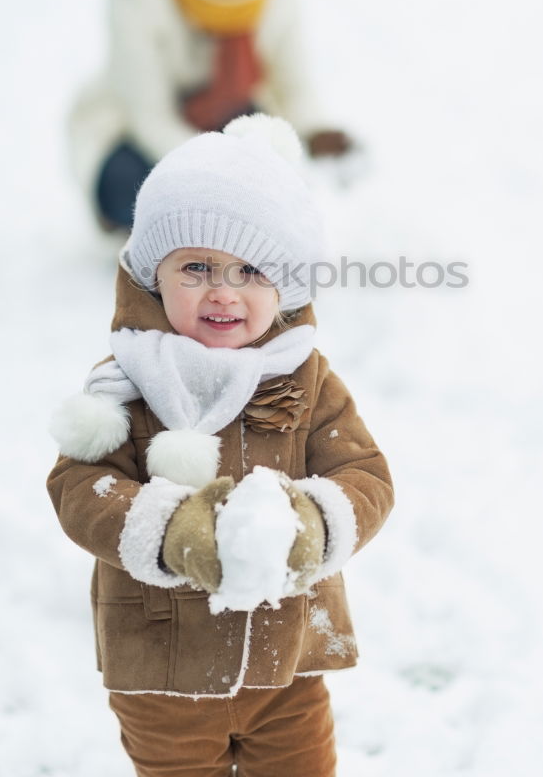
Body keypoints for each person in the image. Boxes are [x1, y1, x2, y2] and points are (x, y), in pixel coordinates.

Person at [47, 113, 394, 777]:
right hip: (160, 671)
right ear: (154, 274)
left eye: (249, 271)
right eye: (197, 266)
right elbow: (78, 488)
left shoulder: (306, 377)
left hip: (286, 662)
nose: (222, 291)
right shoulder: (124, 380)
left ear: (284, 287)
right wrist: (170, 530)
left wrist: (311, 525)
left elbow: (363, 471)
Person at [69, 0, 352, 231]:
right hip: (142, 141)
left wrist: (317, 132)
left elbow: (292, 76)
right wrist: (224, 174)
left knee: (279, 177)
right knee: (132, 188)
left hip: (235, 117)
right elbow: (147, 115)